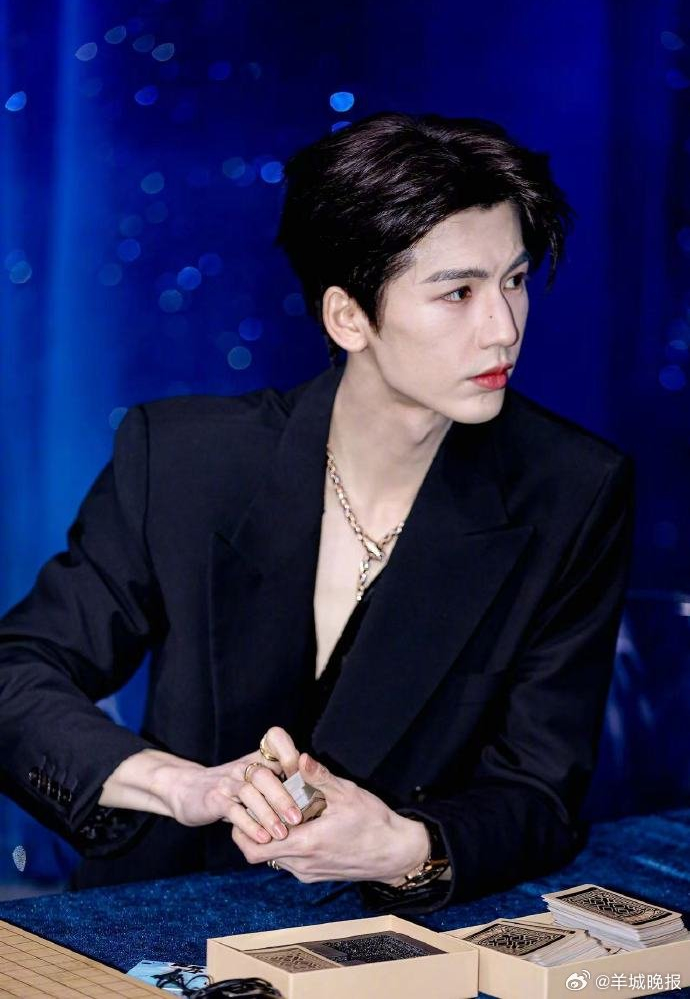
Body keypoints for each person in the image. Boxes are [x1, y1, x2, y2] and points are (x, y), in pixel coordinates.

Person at [0, 111, 635, 913]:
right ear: (347, 317)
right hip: (161, 911)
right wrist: (182, 786)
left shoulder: (572, 489)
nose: (503, 327)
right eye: (459, 292)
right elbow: (15, 676)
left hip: (398, 932)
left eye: (514, 280)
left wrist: (404, 844)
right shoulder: (185, 459)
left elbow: (541, 790)